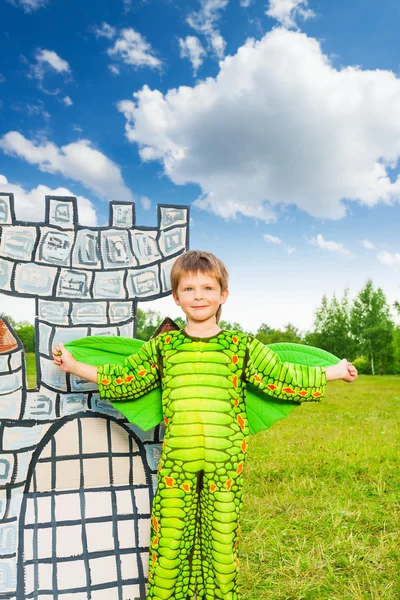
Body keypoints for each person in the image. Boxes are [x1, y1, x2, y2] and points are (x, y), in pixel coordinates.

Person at [53, 250, 358, 600]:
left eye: (208, 288)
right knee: (170, 543)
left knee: (221, 544)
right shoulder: (163, 347)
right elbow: (125, 379)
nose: (199, 295)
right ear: (176, 297)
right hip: (177, 463)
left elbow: (282, 377)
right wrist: (76, 367)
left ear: (222, 294)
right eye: (189, 288)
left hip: (225, 462)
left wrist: (332, 372)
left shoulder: (241, 347)